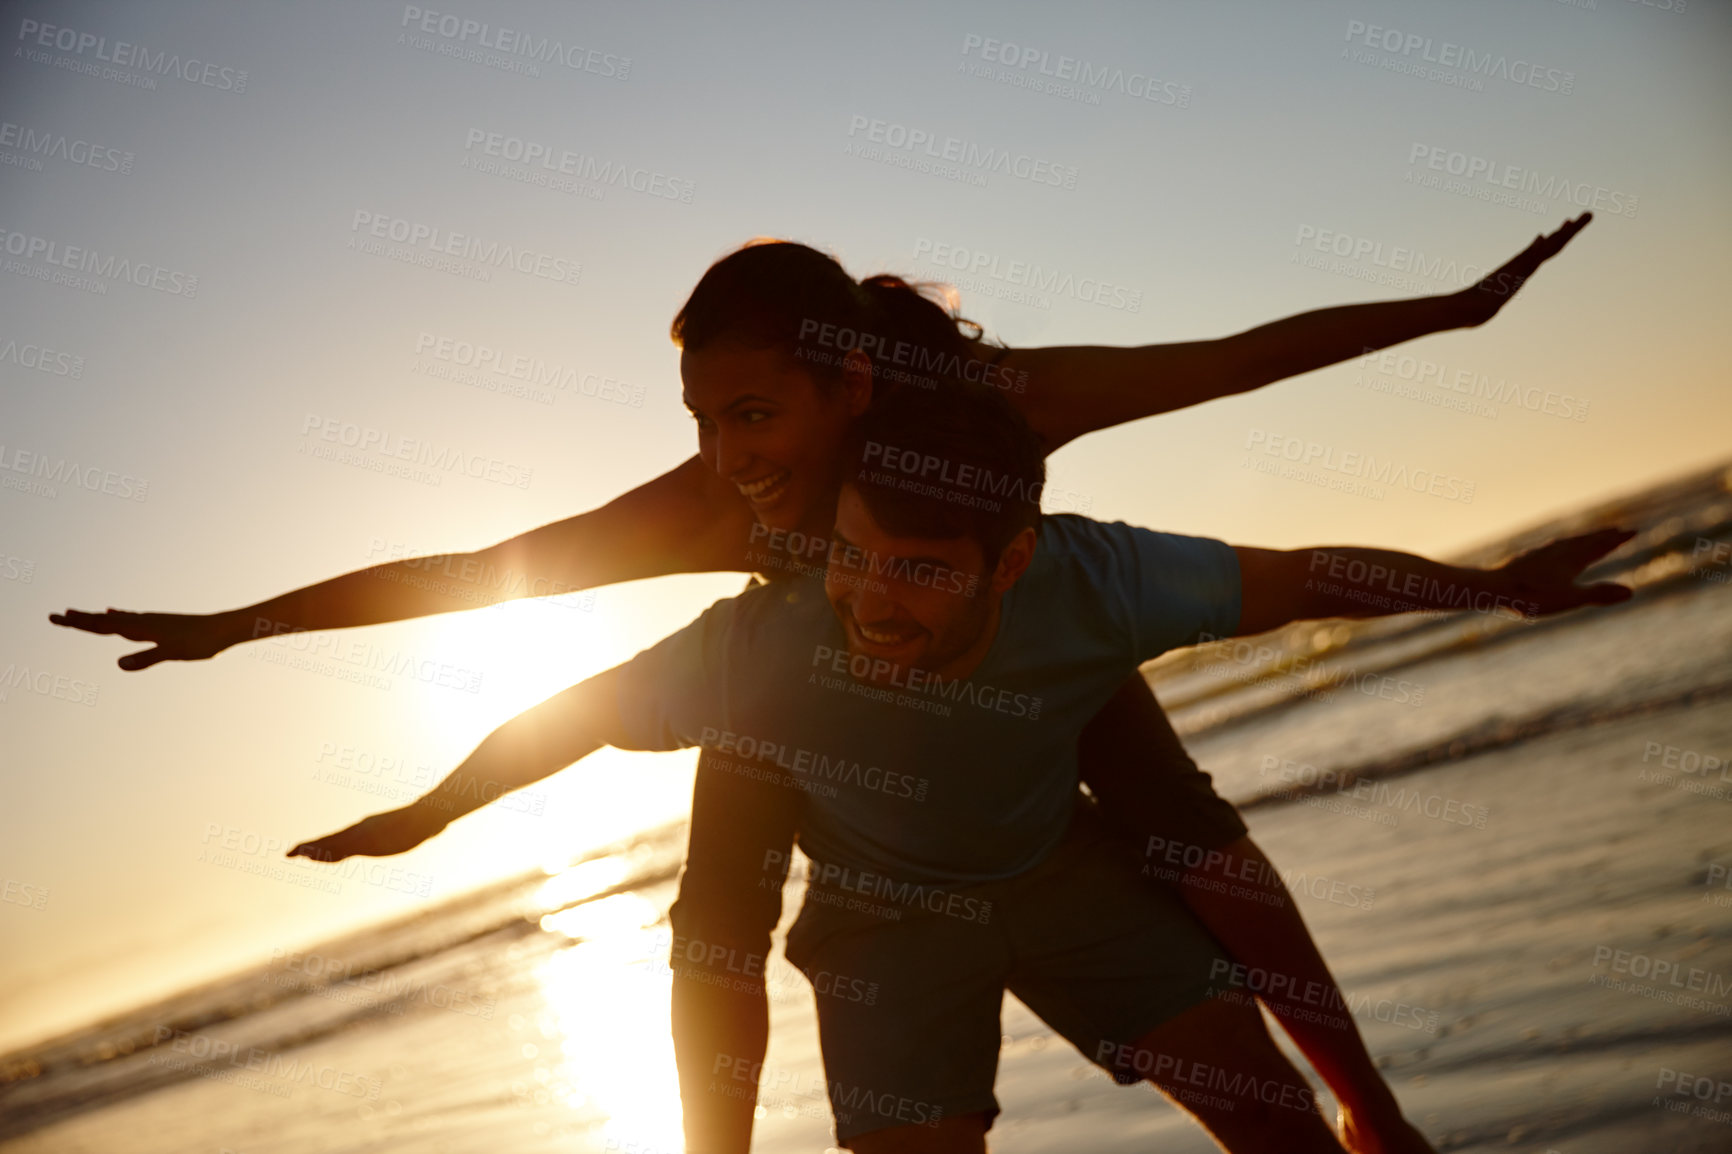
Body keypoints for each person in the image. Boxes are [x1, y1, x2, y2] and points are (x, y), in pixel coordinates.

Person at [50, 219, 1594, 1152]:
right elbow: (478, 568)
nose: (729, 452)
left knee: (1168, 801)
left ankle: (1363, 1106)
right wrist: (239, 624)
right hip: (800, 692)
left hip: (1006, 629)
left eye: (753, 410)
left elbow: (1236, 358)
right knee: (720, 899)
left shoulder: (995, 408)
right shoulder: (716, 516)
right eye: (702, 416)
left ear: (853, 379)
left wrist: (1451, 313)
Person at [286, 377, 1630, 1152]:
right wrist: (425, 810)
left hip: (1057, 867)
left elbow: (1308, 580)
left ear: (1012, 562)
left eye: (922, 573)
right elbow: (568, 713)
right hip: (881, 924)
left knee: (1274, 1118)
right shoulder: (767, 638)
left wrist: (1495, 587)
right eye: (858, 556)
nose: (875, 601)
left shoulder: (1099, 579)